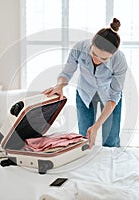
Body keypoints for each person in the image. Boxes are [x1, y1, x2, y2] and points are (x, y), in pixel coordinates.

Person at [43, 18, 128, 149]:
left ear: (113, 54)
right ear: (92, 43)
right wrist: (59, 85)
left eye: (103, 58)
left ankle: (111, 168)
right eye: (94, 53)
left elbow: (114, 95)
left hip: (109, 96)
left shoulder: (120, 60)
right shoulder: (80, 47)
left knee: (111, 140)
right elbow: (66, 73)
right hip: (85, 92)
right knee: (84, 137)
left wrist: (97, 125)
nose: (97, 60)